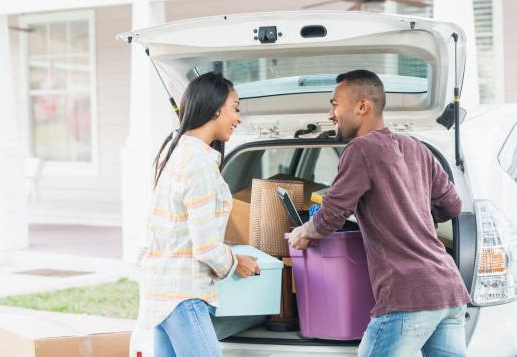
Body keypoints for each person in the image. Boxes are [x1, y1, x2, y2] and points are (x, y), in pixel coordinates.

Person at [289, 69, 471, 357]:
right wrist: (414, 214)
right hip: (449, 291)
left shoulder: (360, 149)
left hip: (408, 296)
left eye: (335, 104)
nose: (330, 114)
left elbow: (331, 216)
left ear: (363, 106)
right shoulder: (417, 148)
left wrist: (303, 231)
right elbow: (452, 206)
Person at [138, 72, 261, 357]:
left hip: (161, 294)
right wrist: (234, 262)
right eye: (235, 107)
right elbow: (205, 248)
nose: (238, 118)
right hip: (184, 294)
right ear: (217, 107)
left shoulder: (174, 152)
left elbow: (175, 230)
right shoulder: (200, 162)